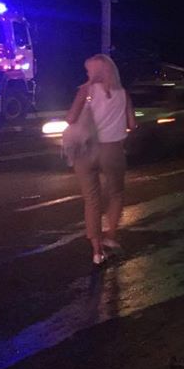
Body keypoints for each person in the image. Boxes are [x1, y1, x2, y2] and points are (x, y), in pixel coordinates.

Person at [65, 54, 136, 267]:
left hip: (86, 150)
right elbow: (132, 125)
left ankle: (97, 251)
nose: (87, 73)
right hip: (112, 150)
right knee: (116, 194)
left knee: (91, 200)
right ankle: (111, 236)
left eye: (89, 70)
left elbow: (70, 118)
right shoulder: (123, 94)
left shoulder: (85, 91)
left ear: (94, 72)